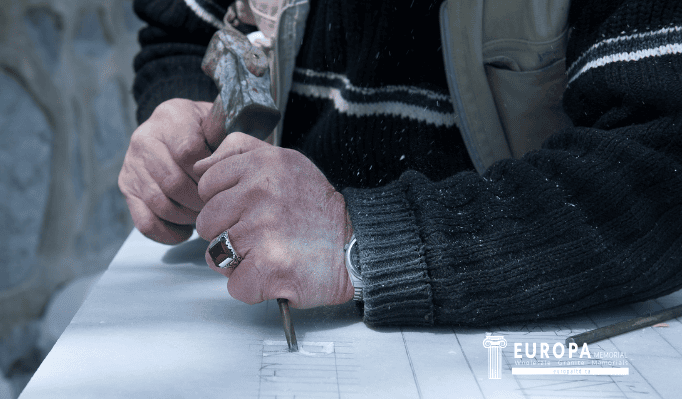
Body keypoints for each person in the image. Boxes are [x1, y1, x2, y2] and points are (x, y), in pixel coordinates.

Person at [119, 0, 682, 326]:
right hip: (283, 313)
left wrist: (362, 242)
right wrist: (177, 118)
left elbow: (661, 172)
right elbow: (182, 29)